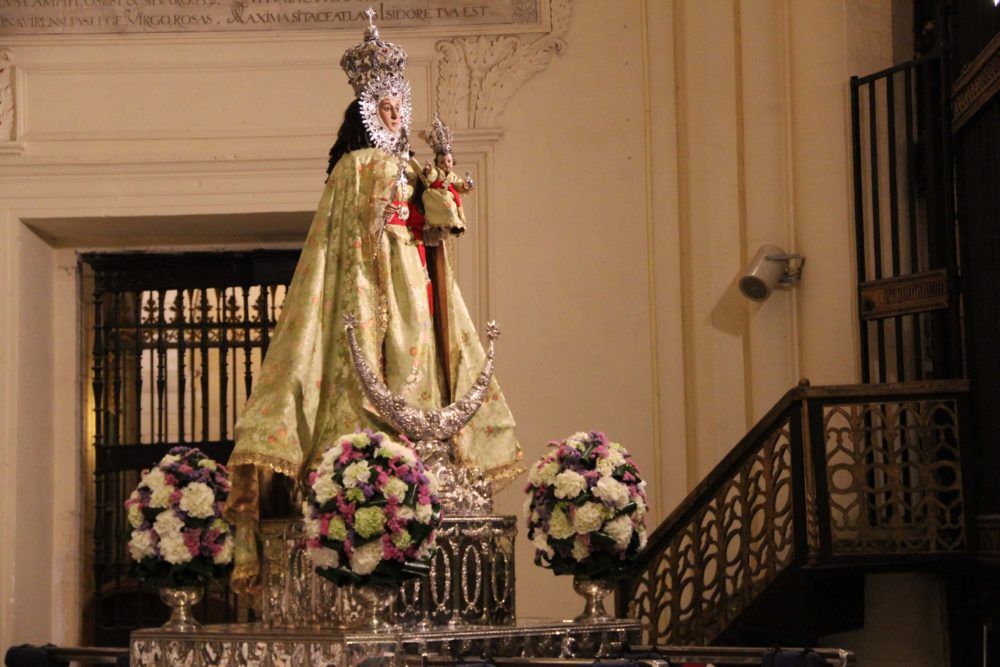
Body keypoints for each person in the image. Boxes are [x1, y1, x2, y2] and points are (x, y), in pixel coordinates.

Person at [224, 12, 521, 595]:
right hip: (371, 281)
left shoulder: (404, 166)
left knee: (428, 357)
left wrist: (440, 184)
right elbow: (361, 228)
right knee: (372, 367)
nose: (397, 116)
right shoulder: (358, 167)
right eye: (387, 108)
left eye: (401, 107)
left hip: (414, 280)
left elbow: (440, 224)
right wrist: (396, 209)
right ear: (367, 111)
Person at [418, 113, 474, 239]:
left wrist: (465, 185)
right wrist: (428, 171)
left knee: (451, 205)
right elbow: (432, 176)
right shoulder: (437, 172)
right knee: (447, 203)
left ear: (453, 162)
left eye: (448, 161)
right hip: (435, 196)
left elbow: (459, 184)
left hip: (448, 196)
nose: (446, 165)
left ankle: (453, 225)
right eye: (442, 162)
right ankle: (437, 223)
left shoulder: (453, 177)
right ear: (437, 163)